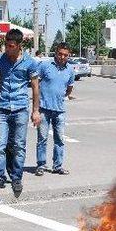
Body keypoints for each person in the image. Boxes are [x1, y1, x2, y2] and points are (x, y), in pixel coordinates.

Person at [0, 28, 40, 196]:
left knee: (19, 146)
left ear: (19, 45)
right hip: (2, 108)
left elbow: (36, 88)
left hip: (21, 109)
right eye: (6, 46)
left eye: (11, 46)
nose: (8, 49)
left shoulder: (30, 62)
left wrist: (35, 111)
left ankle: (16, 177)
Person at [35, 42, 75, 176]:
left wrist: (61, 96)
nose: (62, 57)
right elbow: (36, 84)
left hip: (59, 110)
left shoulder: (70, 70)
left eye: (65, 55)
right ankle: (41, 165)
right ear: (55, 53)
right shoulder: (45, 66)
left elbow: (69, 88)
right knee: (42, 138)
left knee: (59, 140)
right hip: (44, 109)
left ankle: (58, 166)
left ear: (68, 56)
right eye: (60, 54)